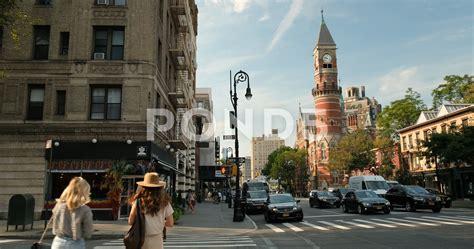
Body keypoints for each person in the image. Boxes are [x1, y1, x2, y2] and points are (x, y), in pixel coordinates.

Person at [129, 172, 174, 249]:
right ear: (159, 188)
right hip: (157, 240)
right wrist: (159, 222)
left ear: (143, 187)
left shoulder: (138, 202)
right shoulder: (165, 202)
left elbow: (130, 221)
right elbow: (170, 223)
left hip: (141, 239)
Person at [51, 177, 94, 249]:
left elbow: (54, 222)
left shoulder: (59, 205)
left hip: (58, 243)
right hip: (76, 244)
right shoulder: (85, 209)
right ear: (84, 192)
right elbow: (88, 232)